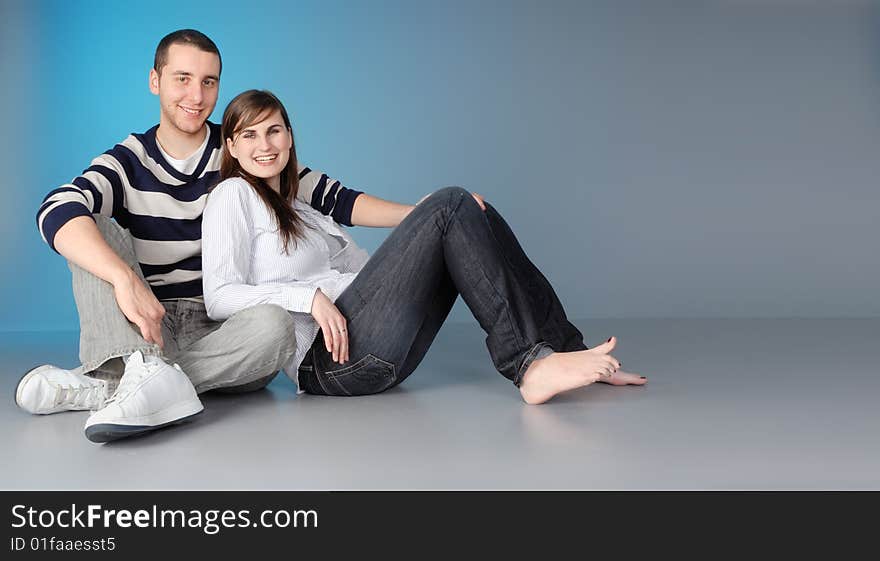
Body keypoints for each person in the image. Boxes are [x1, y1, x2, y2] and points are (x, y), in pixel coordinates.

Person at [16, 30, 417, 443]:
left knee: (276, 324)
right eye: (183, 78)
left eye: (209, 82)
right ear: (155, 81)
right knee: (92, 228)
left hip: (230, 331)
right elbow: (56, 208)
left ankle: (112, 385)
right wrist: (124, 278)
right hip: (148, 321)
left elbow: (337, 199)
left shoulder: (239, 148)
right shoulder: (127, 162)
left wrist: (422, 212)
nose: (196, 95)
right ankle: (139, 372)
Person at [202, 90, 647, 405]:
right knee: (452, 202)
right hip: (329, 363)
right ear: (231, 147)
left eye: (274, 131)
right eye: (249, 135)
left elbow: (368, 245)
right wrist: (307, 297)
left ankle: (563, 350)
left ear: (290, 136)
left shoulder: (303, 202)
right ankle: (529, 366)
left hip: (382, 350)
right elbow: (219, 297)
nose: (265, 145)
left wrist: (440, 224)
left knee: (477, 211)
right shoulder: (232, 196)